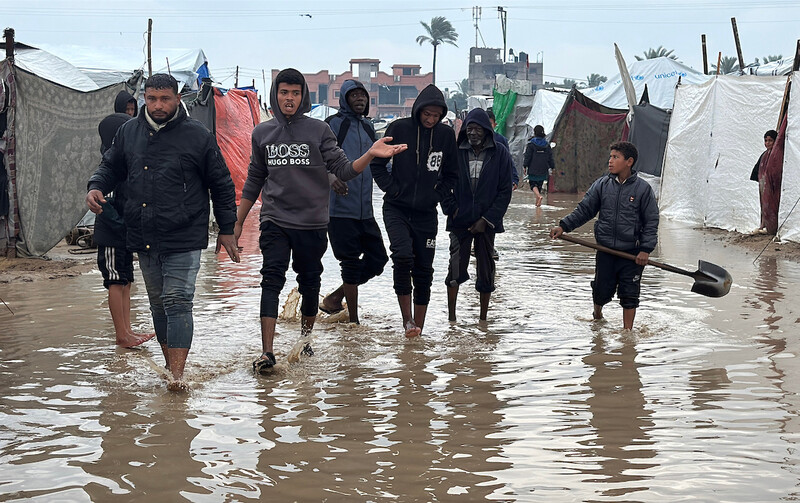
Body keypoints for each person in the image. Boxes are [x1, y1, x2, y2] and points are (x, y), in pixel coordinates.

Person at [236, 69, 405, 373]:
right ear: (275, 94)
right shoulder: (262, 133)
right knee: (271, 278)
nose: (289, 99)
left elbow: (343, 169)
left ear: (303, 97)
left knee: (309, 282)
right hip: (274, 218)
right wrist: (236, 223)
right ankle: (268, 352)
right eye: (284, 92)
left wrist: (369, 154)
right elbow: (254, 179)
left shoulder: (318, 130)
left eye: (295, 93)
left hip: (313, 222)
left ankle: (305, 339)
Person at [86, 73, 240, 391]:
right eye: (152, 98)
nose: (158, 105)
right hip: (144, 233)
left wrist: (227, 229)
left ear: (177, 99)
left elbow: (222, 184)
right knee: (158, 303)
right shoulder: (129, 132)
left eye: (165, 99)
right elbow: (110, 166)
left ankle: (177, 378)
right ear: (144, 97)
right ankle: (171, 366)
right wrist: (96, 186)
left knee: (178, 300)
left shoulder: (197, 135)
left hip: (185, 234)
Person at [371, 84, 459, 337]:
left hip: (426, 213)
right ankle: (407, 320)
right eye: (426, 114)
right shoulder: (399, 129)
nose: (430, 119)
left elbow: (452, 175)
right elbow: (377, 164)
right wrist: (392, 189)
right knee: (402, 256)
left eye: (436, 115)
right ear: (418, 110)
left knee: (424, 268)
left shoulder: (444, 136)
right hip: (396, 207)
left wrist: (435, 195)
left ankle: (418, 327)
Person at [549, 141, 658, 330]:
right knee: (601, 290)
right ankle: (597, 316)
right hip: (605, 249)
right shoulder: (602, 185)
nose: (610, 161)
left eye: (616, 157)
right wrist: (563, 226)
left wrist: (646, 250)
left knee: (630, 294)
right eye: (610, 156)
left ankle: (627, 334)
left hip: (632, 254)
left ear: (629, 161)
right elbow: (584, 210)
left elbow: (651, 221)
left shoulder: (643, 190)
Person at [319, 79, 389, 324]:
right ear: (344, 99)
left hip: (365, 210)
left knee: (378, 260)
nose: (360, 99)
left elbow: (379, 161)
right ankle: (354, 323)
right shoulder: (333, 125)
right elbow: (315, 158)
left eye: (363, 96)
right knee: (349, 262)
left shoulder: (369, 127)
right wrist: (329, 178)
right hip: (339, 209)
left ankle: (335, 298)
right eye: (354, 95)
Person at [94, 90, 155, 348]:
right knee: (116, 282)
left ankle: (127, 331)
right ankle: (122, 334)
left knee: (126, 280)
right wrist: (125, 225)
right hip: (111, 234)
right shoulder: (108, 169)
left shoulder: (126, 164)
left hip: (124, 234)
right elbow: (105, 208)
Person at [443, 108, 512, 322]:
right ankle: (452, 319)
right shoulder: (455, 151)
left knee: (486, 267)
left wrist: (487, 219)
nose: (473, 133)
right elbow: (443, 184)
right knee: (455, 267)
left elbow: (504, 191)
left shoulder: (500, 153)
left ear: (487, 131)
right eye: (469, 129)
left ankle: (483, 319)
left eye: (478, 129)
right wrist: (452, 209)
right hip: (459, 220)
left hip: (487, 222)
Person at [750, 129, 779, 234]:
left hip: (774, 188)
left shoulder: (777, 155)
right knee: (764, 205)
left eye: (770, 140)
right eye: (766, 140)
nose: (767, 143)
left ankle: (772, 227)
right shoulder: (764, 155)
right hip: (764, 186)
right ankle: (763, 225)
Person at [487, 108, 519, 190]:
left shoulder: (501, 140)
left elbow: (508, 160)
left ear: (495, 124)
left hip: (497, 178)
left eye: (490, 123)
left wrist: (514, 178)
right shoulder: (475, 141)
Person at [523, 125, 555, 207]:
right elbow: (550, 157)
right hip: (543, 168)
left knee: (532, 184)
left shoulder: (531, 144)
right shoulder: (547, 145)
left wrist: (525, 165)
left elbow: (528, 156)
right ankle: (537, 204)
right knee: (539, 185)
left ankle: (539, 196)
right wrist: (552, 166)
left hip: (533, 167)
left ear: (535, 132)